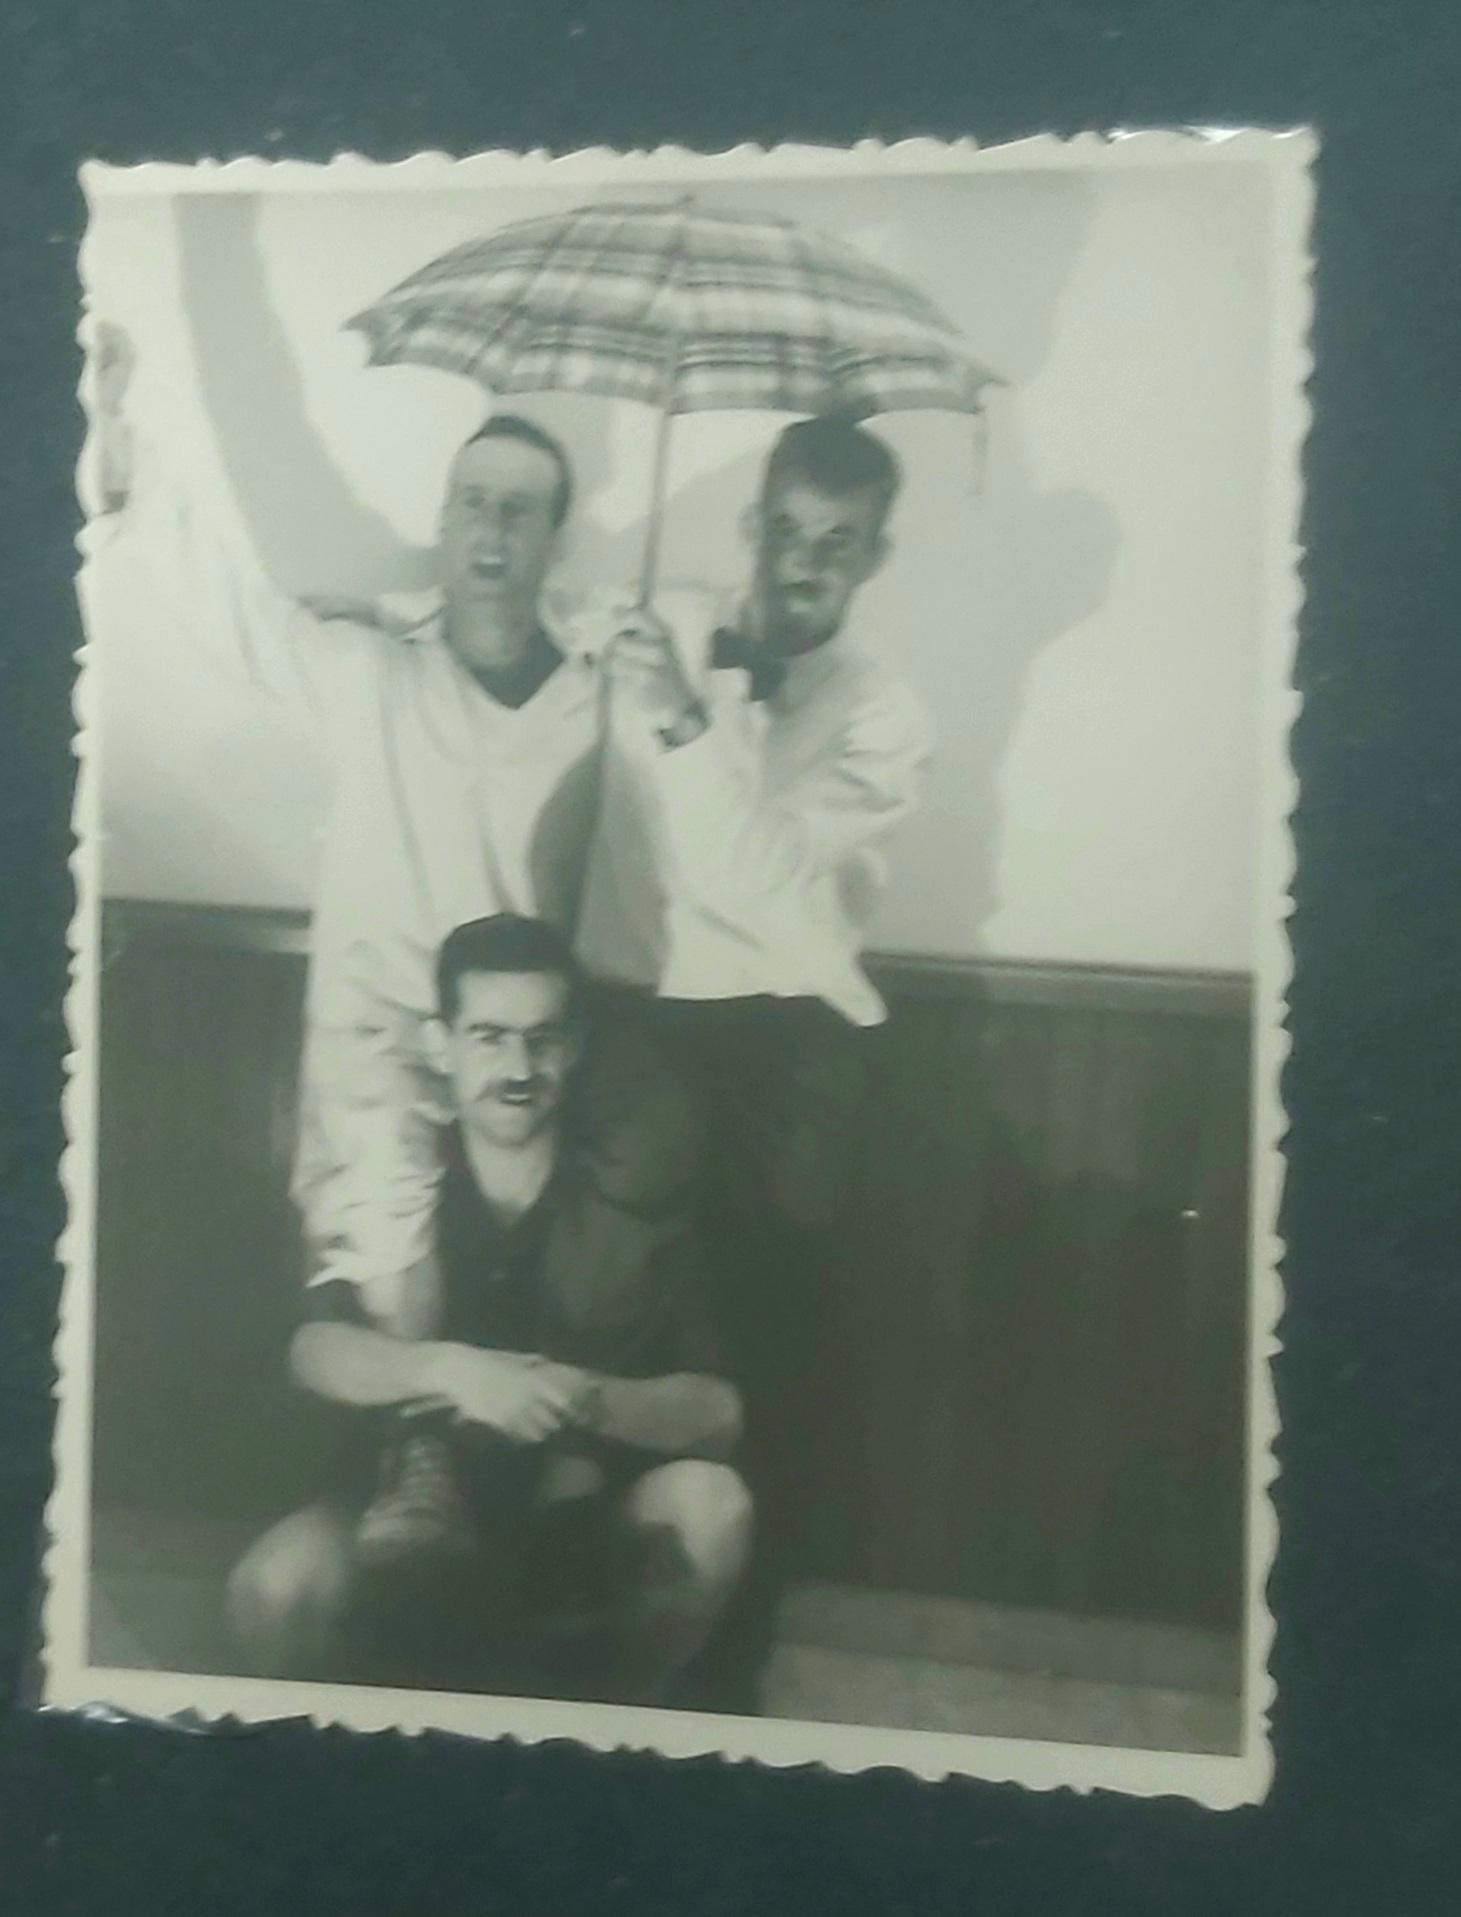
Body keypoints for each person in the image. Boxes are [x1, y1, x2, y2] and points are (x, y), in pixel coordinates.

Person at [88, 322, 693, 1345]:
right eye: (473, 503)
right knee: (392, 1295)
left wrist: (671, 707)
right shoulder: (370, 675)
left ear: (556, 541)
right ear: (445, 523)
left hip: (522, 1057)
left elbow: (698, 849)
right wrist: (117, 441)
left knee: (550, 1303)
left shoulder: (600, 702)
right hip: (379, 1048)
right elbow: (236, 613)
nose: (492, 530)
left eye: (520, 510)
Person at [574, 415, 934, 1702]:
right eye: (786, 530)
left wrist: (682, 722)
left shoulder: (887, 719)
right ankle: (591, 1649)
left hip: (789, 1050)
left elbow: (767, 889)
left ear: (875, 557)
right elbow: (502, 630)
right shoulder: (655, 619)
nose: (803, 562)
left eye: (838, 541)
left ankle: (725, 1685)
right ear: (751, 528)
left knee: (763, 1361)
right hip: (634, 1026)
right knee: (611, 1330)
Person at [226, 915, 751, 1704]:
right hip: (404, 1514)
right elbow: (312, 1350)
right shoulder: (397, 1182)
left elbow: (718, 1412)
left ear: (574, 1047)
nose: (517, 1067)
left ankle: (612, 1731)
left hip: (577, 1524)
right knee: (273, 1588)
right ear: (440, 1045)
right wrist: (450, 1371)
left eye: (542, 1039)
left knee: (713, 1508)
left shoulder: (630, 1188)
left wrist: (585, 1396)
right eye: (489, 1037)